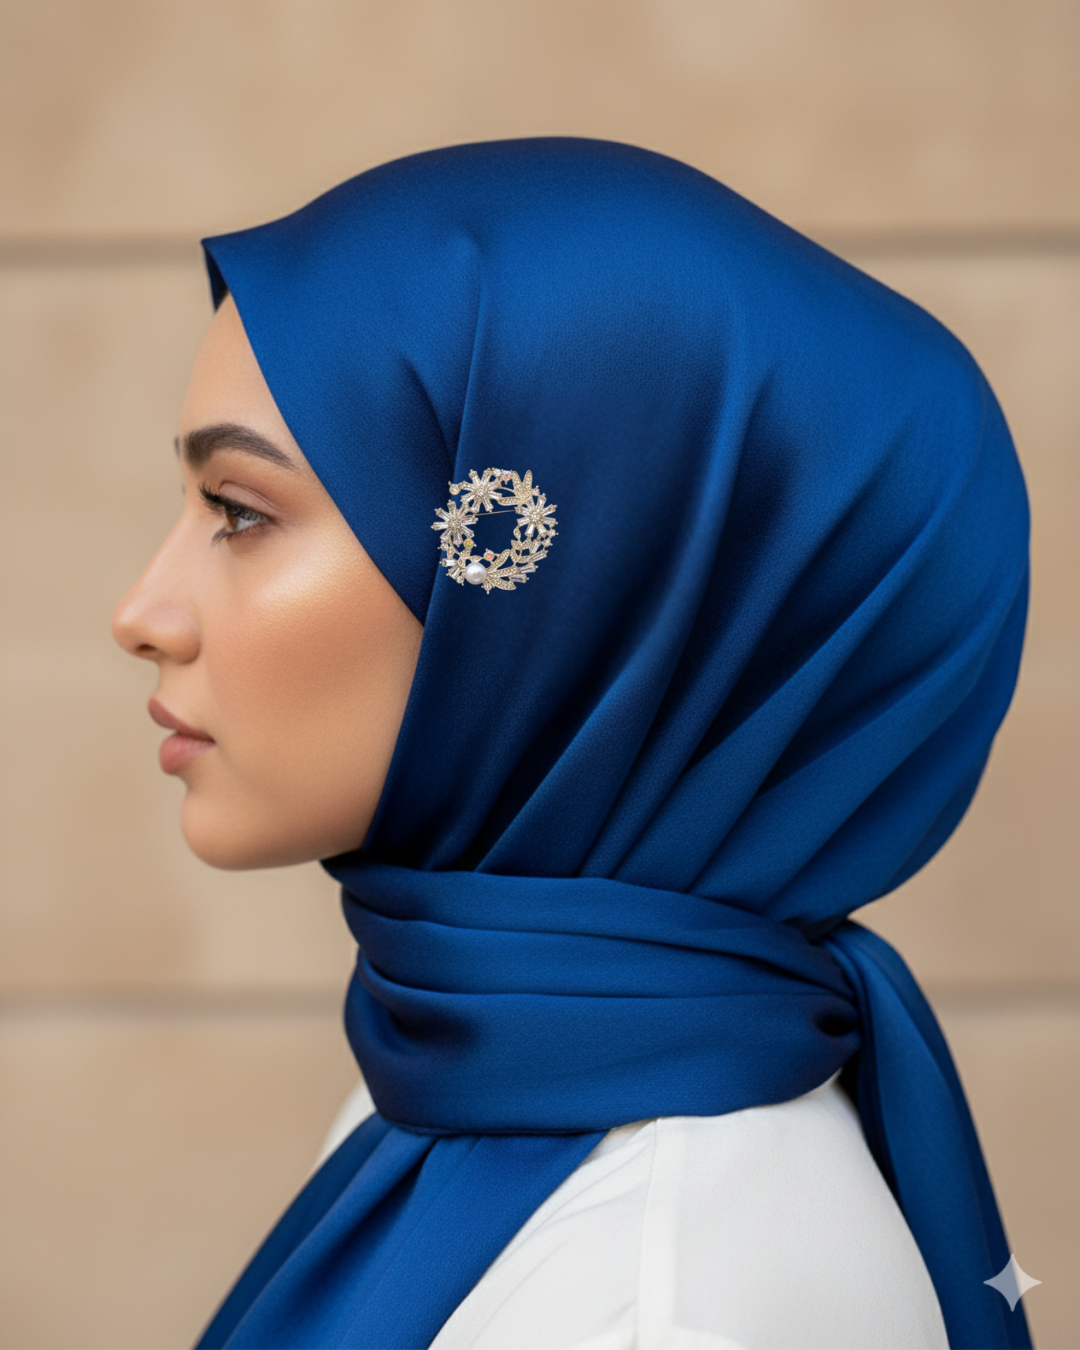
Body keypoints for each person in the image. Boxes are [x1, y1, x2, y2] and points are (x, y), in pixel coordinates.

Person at [112, 139, 1031, 1350]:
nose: (141, 614)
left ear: (556, 601)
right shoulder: (471, 1088)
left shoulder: (673, 1291)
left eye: (240, 512)